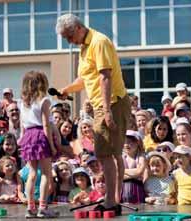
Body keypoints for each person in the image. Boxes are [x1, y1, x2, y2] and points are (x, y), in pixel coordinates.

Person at [56, 13, 130, 214]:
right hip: (103, 105)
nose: (69, 41)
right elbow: (85, 79)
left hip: (111, 103)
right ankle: (113, 200)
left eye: (69, 36)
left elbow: (105, 77)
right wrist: (66, 90)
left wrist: (106, 110)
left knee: (106, 153)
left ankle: (111, 201)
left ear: (78, 28)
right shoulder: (84, 48)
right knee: (109, 153)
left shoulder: (99, 42)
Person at [18, 71, 58, 218]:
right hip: (41, 135)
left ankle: (30, 207)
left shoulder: (23, 102)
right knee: (46, 174)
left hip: (28, 136)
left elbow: (22, 124)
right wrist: (52, 146)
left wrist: (22, 139)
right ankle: (43, 207)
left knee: (32, 173)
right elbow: (46, 124)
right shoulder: (44, 100)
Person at [121, 130, 146, 204]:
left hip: (137, 191)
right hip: (123, 192)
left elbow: (139, 172)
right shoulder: (121, 157)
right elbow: (117, 176)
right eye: (124, 142)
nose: (126, 145)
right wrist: (134, 174)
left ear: (137, 143)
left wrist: (122, 171)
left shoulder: (141, 156)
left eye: (129, 142)